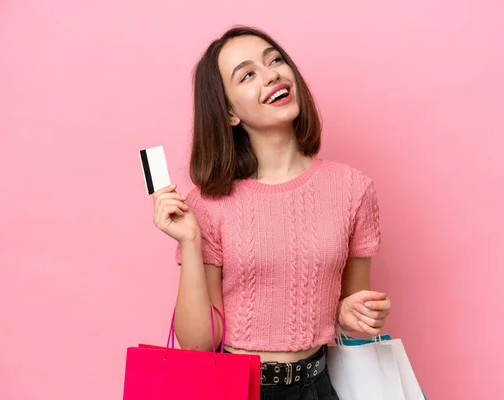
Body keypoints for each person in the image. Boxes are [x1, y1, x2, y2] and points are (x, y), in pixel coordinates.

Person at [151, 25, 392, 400]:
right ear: (229, 112)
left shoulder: (353, 189)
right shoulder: (209, 203)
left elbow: (353, 307)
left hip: (318, 386)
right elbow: (198, 345)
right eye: (247, 74)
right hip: (236, 389)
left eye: (275, 60)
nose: (272, 74)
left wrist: (351, 313)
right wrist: (191, 241)